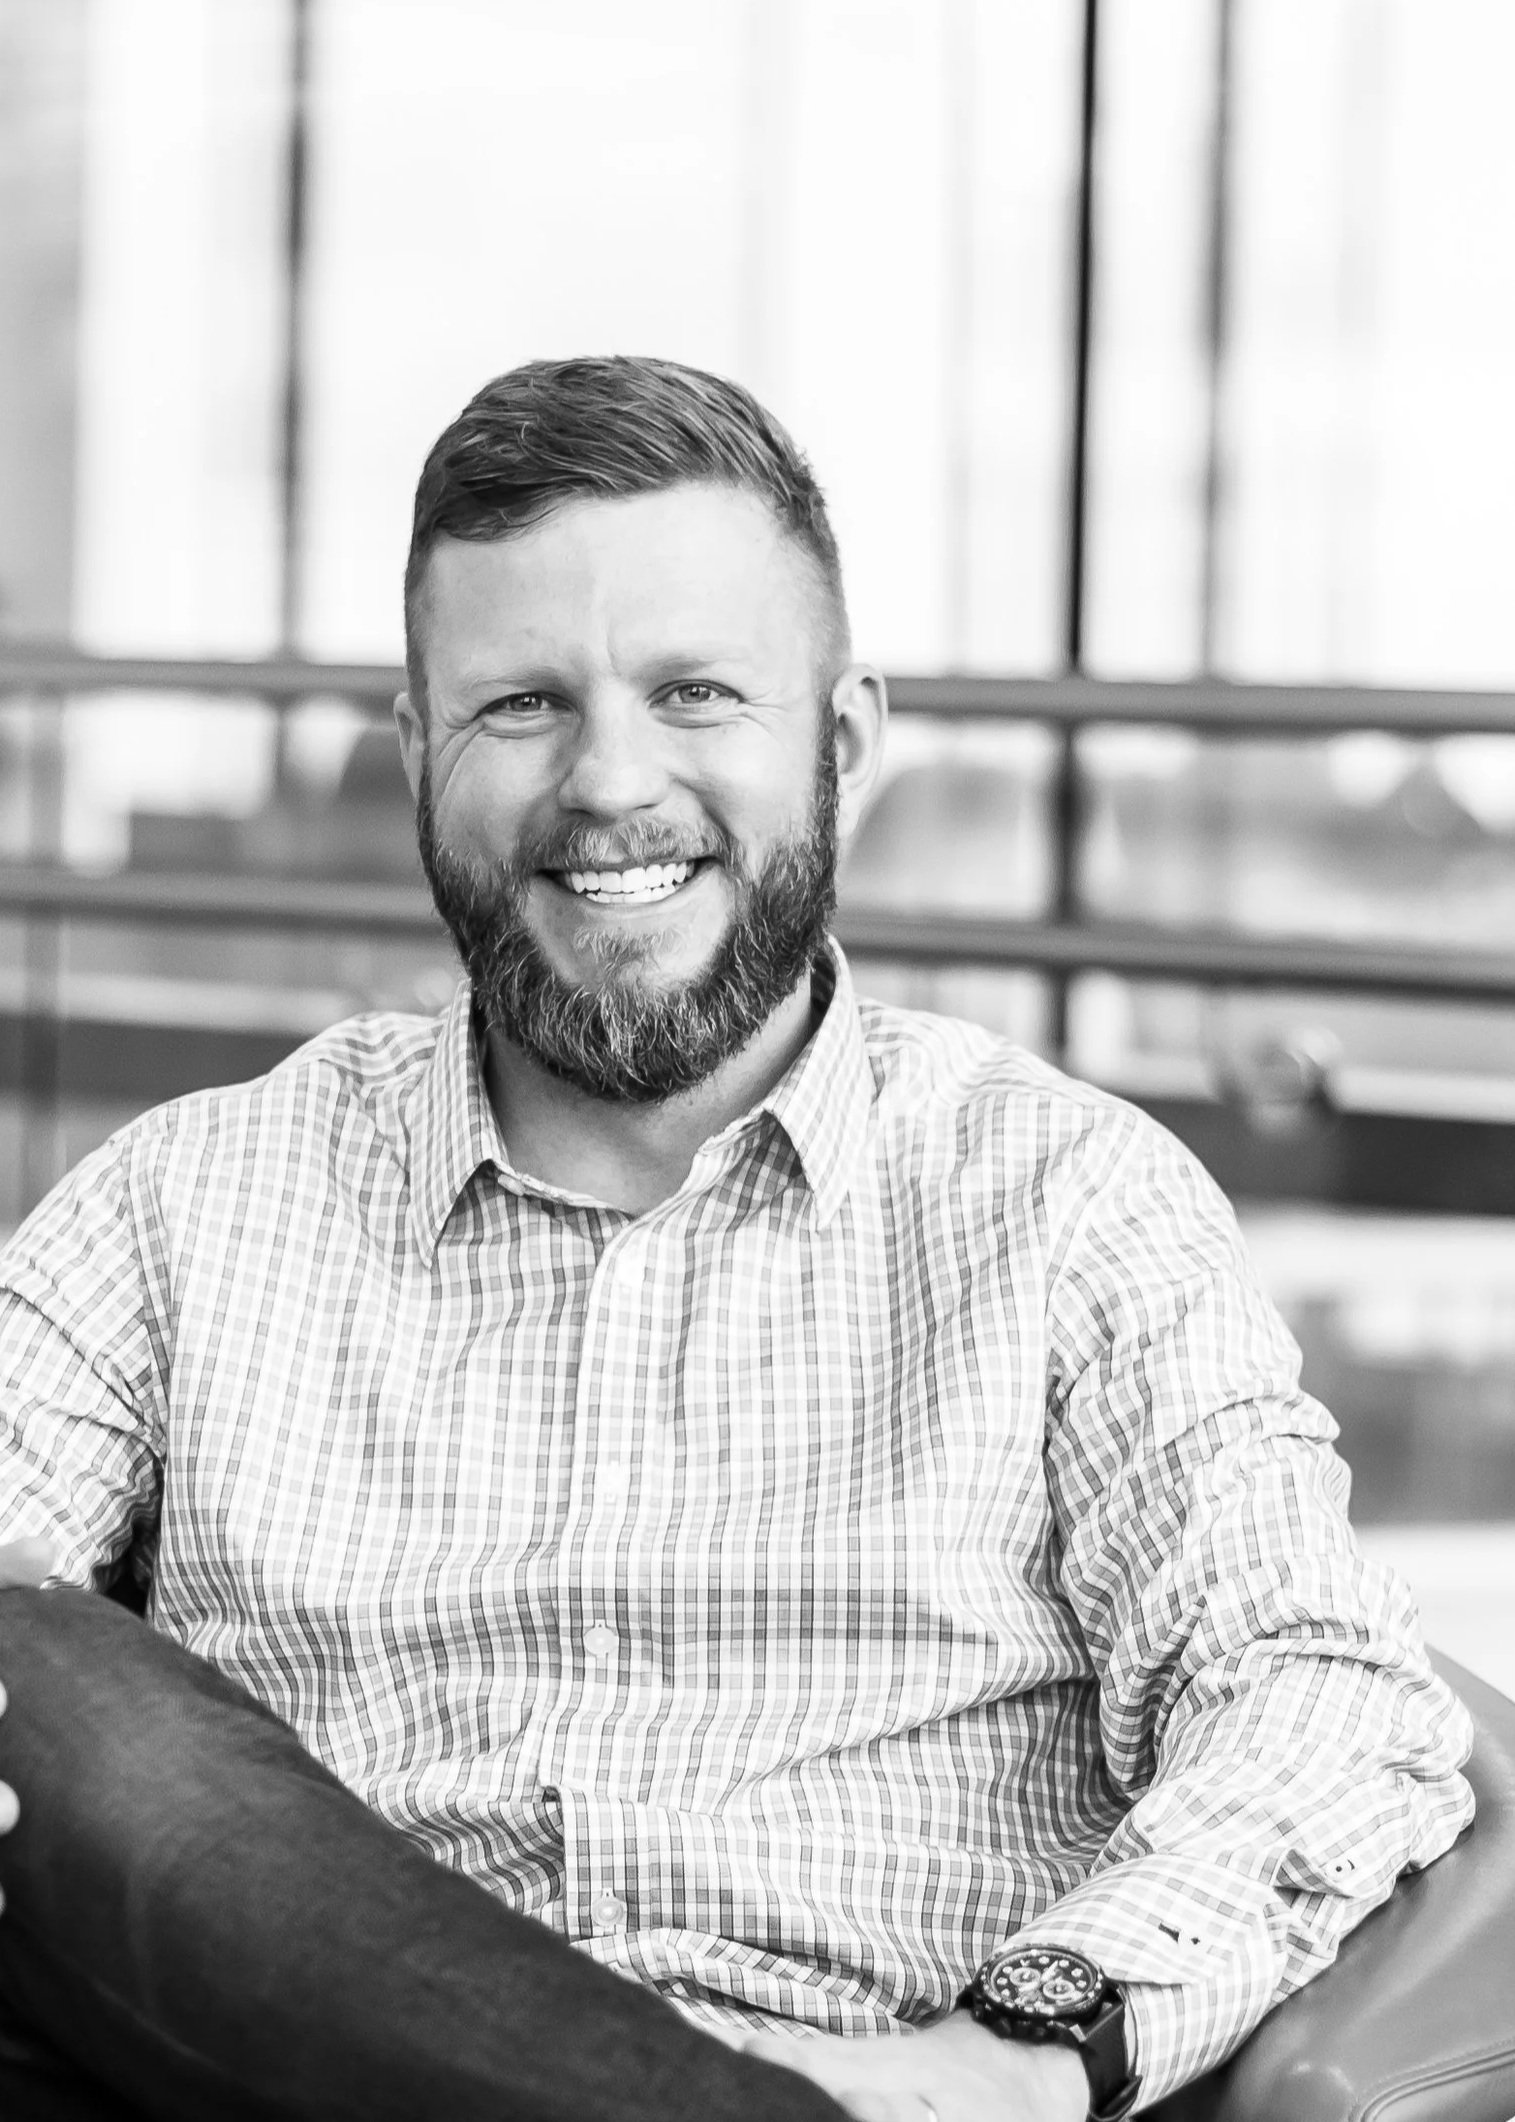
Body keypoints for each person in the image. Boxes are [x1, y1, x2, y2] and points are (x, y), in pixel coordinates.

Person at [0, 356, 1473, 2122]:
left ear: (839, 738)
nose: (612, 782)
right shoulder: (186, 1203)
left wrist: (1008, 2052)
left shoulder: (1067, 1202)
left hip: (873, 2060)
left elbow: (1324, 1704)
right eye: (523, 704)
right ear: (417, 757)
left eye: (694, 691)